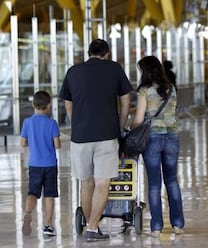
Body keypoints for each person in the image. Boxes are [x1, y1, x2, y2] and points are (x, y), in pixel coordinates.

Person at [59, 39, 132, 241]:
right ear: (106, 54)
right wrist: (120, 124)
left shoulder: (73, 71)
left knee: (86, 183)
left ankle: (91, 226)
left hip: (80, 137)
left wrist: (77, 124)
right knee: (102, 183)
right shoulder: (114, 69)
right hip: (107, 135)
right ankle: (92, 228)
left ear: (88, 52)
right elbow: (126, 100)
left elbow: (67, 104)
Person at [132, 56, 185, 238]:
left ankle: (156, 227)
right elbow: (171, 113)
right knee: (172, 180)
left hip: (152, 139)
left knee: (154, 184)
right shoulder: (171, 88)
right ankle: (178, 224)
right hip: (172, 137)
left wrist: (132, 127)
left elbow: (139, 119)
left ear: (145, 71)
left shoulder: (144, 91)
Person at [20, 90, 61, 236]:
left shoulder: (27, 122)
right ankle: (48, 226)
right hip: (49, 165)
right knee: (49, 195)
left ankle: (27, 213)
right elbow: (57, 145)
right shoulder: (52, 123)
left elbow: (23, 143)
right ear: (49, 105)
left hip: (34, 164)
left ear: (33, 104)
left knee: (32, 192)